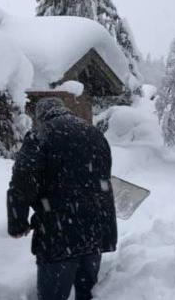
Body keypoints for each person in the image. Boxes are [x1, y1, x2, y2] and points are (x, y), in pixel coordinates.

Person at [7, 97, 118, 300]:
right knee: (87, 293)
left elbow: (22, 182)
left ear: (40, 116)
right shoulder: (94, 133)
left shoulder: (40, 135)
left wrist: (17, 223)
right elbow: (103, 175)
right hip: (95, 229)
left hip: (59, 231)